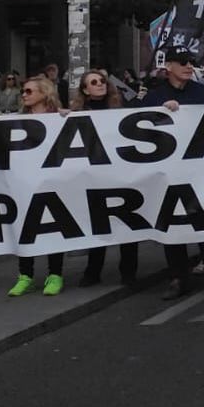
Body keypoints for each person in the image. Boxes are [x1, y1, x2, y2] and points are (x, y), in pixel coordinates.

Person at [136, 51, 204, 299]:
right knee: (171, 226)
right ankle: (178, 278)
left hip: (199, 171)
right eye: (183, 63)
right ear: (168, 66)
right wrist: (160, 114)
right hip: (168, 174)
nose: (189, 67)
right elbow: (138, 128)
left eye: (192, 63)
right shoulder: (155, 96)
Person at [72, 70, 140, 288]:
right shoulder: (76, 113)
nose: (100, 84)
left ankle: (128, 272)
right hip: (94, 176)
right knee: (98, 224)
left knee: (128, 224)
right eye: (94, 82)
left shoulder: (119, 109)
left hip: (120, 174)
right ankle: (93, 271)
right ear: (85, 89)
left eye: (102, 81)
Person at [3, 76, 69, 296]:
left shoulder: (57, 118)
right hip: (25, 183)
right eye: (23, 91)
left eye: (29, 91)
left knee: (54, 226)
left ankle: (55, 274)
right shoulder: (17, 119)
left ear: (44, 93)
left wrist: (68, 118)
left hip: (53, 182)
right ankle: (25, 275)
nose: (24, 94)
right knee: (26, 227)